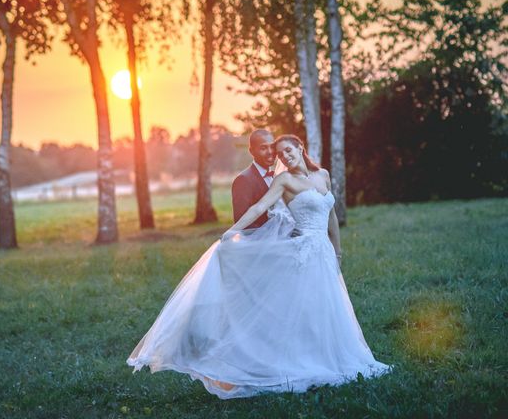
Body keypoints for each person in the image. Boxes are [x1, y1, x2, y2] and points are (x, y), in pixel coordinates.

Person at [127, 134, 391, 399]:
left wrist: (338, 252)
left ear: (300, 147)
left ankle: (328, 355)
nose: (285, 156)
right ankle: (295, 361)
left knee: (326, 307)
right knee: (302, 309)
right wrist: (232, 230)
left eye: (289, 150)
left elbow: (331, 216)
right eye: (280, 153)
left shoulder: (322, 175)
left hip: (323, 253)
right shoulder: (284, 180)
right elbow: (258, 207)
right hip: (303, 254)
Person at [231, 129, 276, 229]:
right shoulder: (243, 180)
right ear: (252, 151)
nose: (270, 152)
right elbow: (242, 222)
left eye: (272, 147)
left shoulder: (278, 177)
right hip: (262, 242)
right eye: (263, 148)